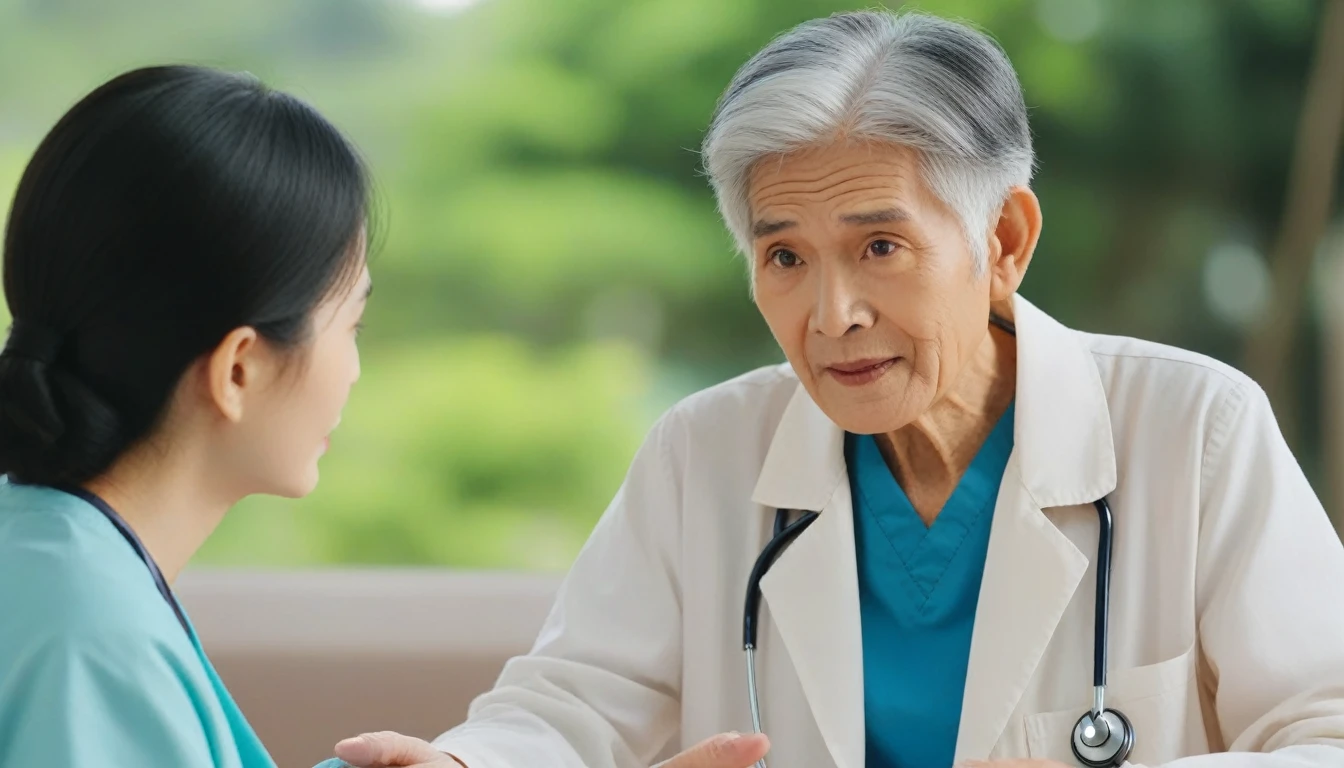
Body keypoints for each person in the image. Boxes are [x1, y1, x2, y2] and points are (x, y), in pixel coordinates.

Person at [335, 9, 1344, 768]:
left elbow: (1327, 726)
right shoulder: (708, 453)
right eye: (784, 259)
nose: (833, 315)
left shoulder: (1193, 429)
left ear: (1004, 241)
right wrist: (472, 760)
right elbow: (573, 705)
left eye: (880, 246)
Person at [0, 65, 374, 767]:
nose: (354, 368)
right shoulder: (91, 640)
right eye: (351, 324)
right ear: (239, 369)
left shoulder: (43, 557)